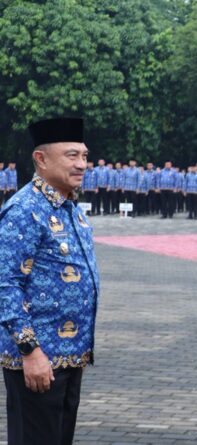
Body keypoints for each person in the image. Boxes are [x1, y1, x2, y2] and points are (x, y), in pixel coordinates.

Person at [0, 117, 100, 444]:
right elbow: (5, 284)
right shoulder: (25, 209)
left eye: (84, 156)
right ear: (41, 159)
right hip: (38, 357)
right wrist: (30, 350)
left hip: (70, 355)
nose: (81, 164)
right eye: (72, 156)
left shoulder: (70, 207)